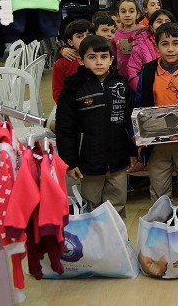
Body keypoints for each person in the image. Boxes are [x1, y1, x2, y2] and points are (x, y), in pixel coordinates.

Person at [56, 35, 137, 219]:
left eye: (103, 57)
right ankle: (95, 245)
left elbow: (130, 122)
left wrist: (132, 150)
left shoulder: (121, 85)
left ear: (111, 59)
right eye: (92, 57)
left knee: (117, 204)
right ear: (81, 60)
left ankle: (117, 243)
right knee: (91, 207)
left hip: (118, 159)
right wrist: (70, 161)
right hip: (89, 161)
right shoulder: (73, 89)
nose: (98, 62)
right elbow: (65, 128)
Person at [135, 22, 178, 210]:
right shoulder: (148, 71)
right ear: (157, 47)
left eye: (175, 43)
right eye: (165, 44)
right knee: (158, 184)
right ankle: (161, 224)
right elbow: (140, 102)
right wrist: (138, 133)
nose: (170, 49)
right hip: (157, 140)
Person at [127, 9, 173, 91]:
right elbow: (133, 73)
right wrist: (145, 92)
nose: (164, 24)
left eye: (167, 21)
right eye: (159, 21)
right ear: (151, 27)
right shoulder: (140, 47)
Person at [52, 19, 91, 103]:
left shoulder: (100, 57)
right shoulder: (61, 64)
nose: (85, 39)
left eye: (88, 35)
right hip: (72, 107)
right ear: (70, 42)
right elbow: (57, 93)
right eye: (79, 36)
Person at [112, 0, 145, 79]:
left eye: (131, 11)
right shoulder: (115, 33)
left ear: (138, 14)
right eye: (123, 12)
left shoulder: (144, 32)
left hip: (140, 75)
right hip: (121, 75)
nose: (127, 15)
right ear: (118, 15)